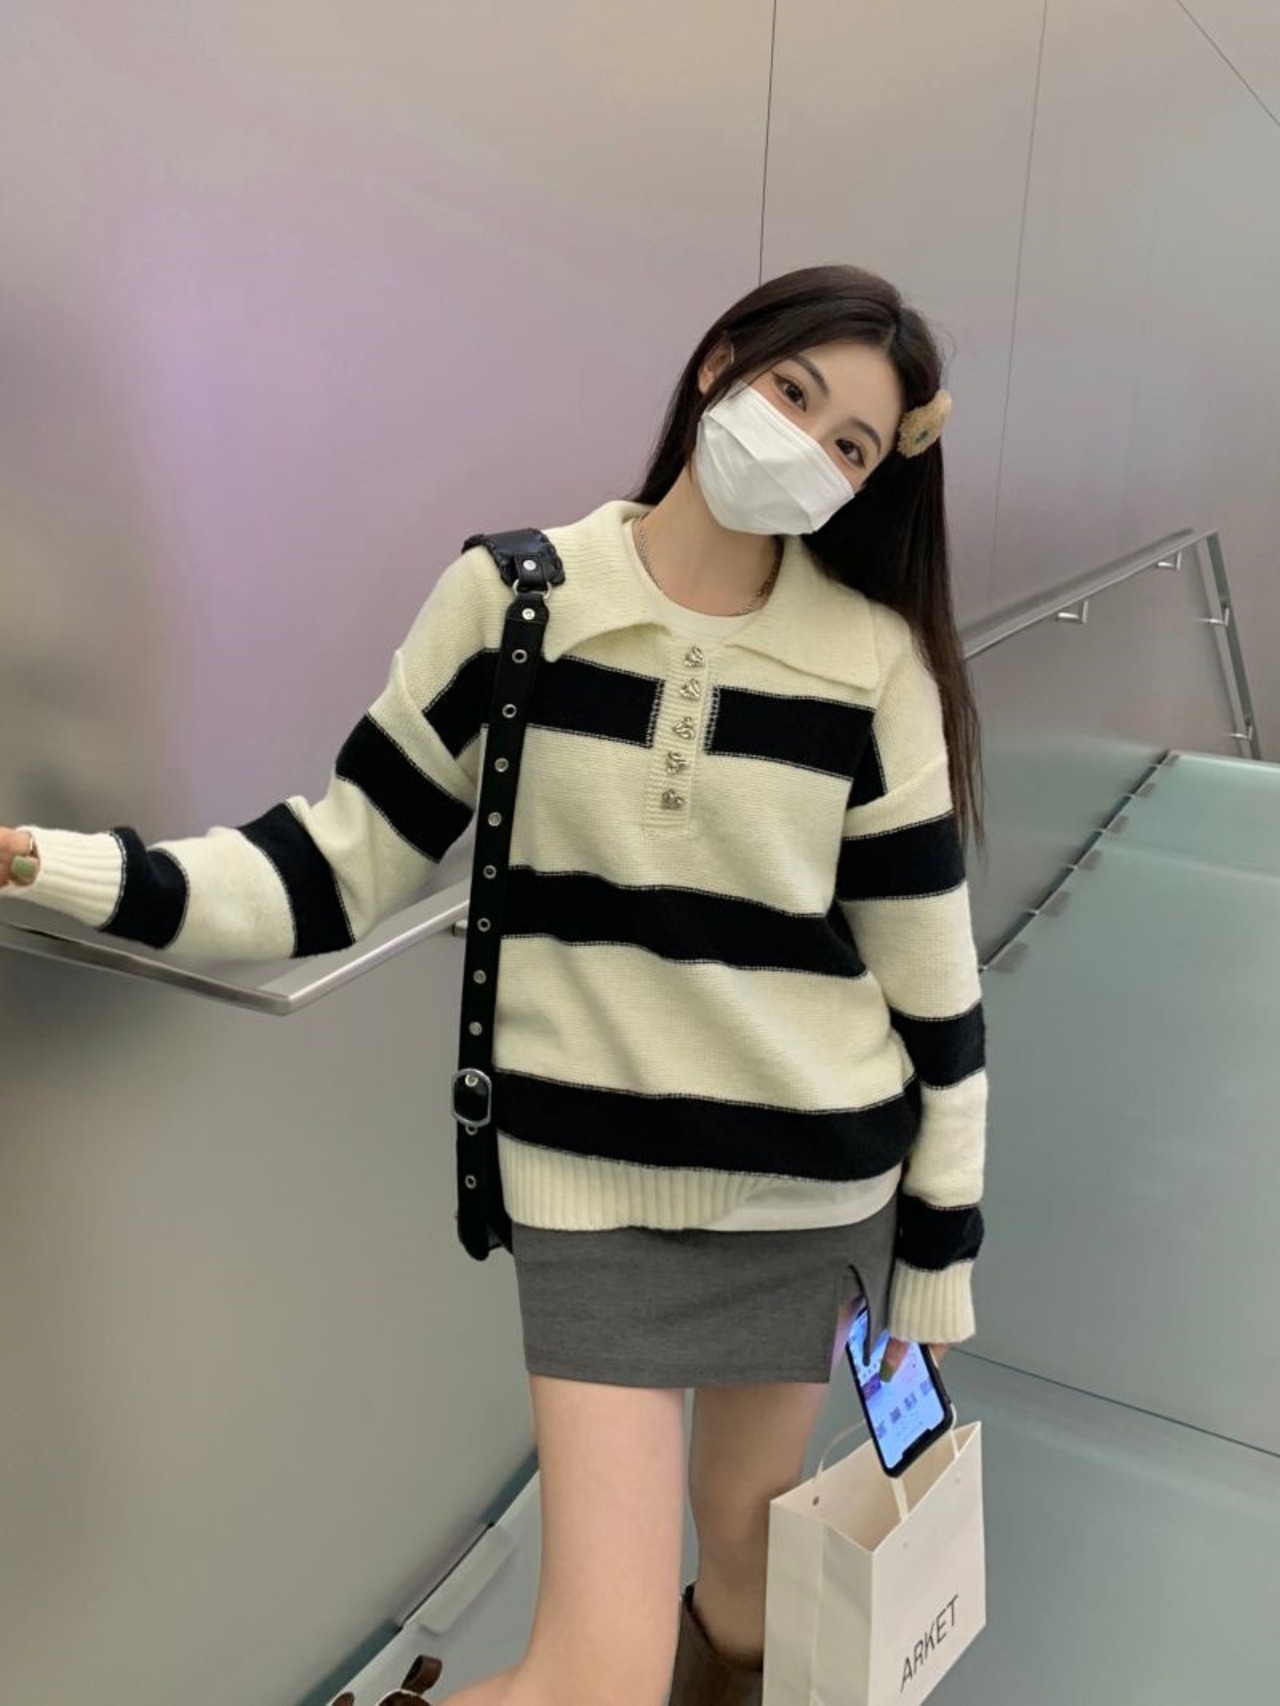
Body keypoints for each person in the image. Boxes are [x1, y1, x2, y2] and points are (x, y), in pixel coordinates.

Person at [0, 262, 987, 1706]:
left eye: (849, 443)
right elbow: (329, 868)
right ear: (720, 362)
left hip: (811, 1196)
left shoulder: (870, 663)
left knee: (750, 1585)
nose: (807, 447)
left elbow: (934, 992)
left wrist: (938, 1259)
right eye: (793, 393)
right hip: (593, 1198)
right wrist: (50, 865)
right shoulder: (520, 600)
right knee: (599, 1674)